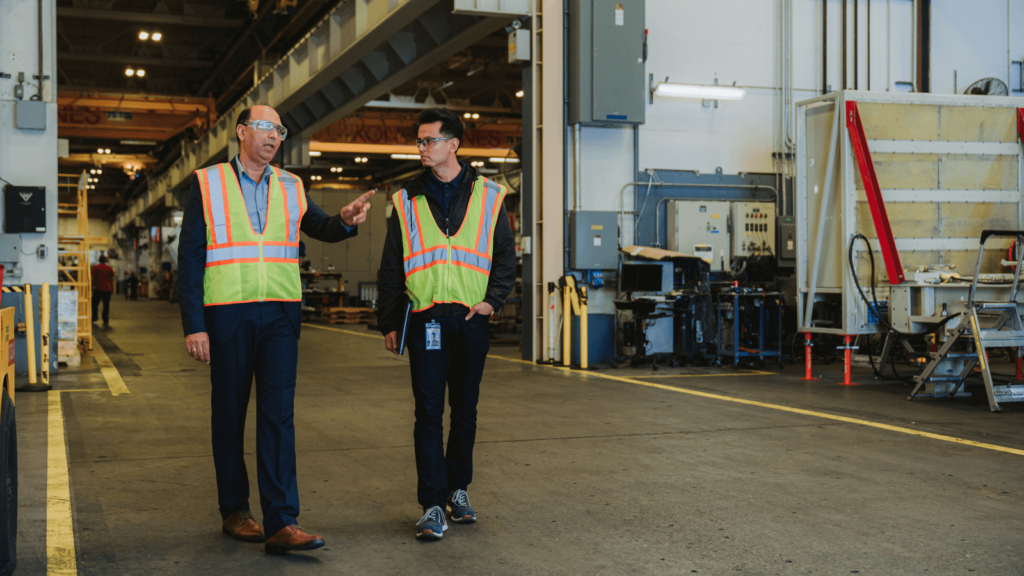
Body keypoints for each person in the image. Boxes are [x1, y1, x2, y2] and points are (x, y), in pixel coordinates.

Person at [177, 104, 373, 554]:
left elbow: (317, 226)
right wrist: (195, 325)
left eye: (279, 130)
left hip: (281, 315)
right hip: (227, 313)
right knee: (228, 414)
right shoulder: (207, 182)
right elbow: (190, 256)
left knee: (278, 416)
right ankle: (234, 510)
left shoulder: (292, 184)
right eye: (265, 127)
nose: (273, 136)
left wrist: (343, 221)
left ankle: (283, 520)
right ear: (242, 131)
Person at [376, 107, 515, 540]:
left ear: (453, 145)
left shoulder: (491, 196)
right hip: (426, 320)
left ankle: (458, 490)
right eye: (419, 141)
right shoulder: (405, 199)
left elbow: (505, 258)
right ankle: (433, 503)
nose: (421, 147)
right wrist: (388, 320)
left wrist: (493, 302)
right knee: (428, 413)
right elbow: (391, 267)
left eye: (429, 140)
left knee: (466, 410)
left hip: (472, 319)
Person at [91, 254, 114, 327]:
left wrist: (91, 286)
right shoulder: (109, 268)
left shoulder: (95, 267)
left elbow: (92, 277)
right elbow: (111, 279)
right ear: (105, 260)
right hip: (107, 289)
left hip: (98, 289)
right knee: (106, 305)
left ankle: (95, 316)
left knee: (94, 303)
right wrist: (112, 288)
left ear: (99, 260)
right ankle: (105, 319)